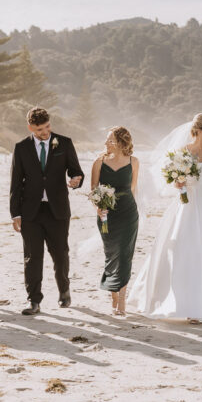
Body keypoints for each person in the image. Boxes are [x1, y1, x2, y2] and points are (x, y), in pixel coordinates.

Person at [127, 114, 202, 323]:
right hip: (188, 206)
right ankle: (186, 304)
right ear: (200, 130)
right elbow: (176, 180)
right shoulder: (182, 152)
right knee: (186, 252)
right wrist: (179, 183)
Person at [10, 107, 84, 316]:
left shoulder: (64, 143)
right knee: (32, 257)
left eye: (47, 127)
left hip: (57, 209)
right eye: (40, 129)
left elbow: (76, 169)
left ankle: (64, 290)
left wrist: (76, 179)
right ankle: (34, 300)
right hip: (30, 211)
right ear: (30, 127)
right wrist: (15, 214)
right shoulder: (21, 147)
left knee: (60, 254)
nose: (45, 132)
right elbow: (15, 182)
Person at [89, 127, 139, 316]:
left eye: (110, 140)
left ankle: (122, 300)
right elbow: (93, 190)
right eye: (106, 140)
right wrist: (98, 208)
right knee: (111, 254)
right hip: (106, 214)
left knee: (125, 254)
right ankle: (113, 296)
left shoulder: (134, 162)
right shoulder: (99, 162)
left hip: (128, 212)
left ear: (120, 142)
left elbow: (132, 189)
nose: (106, 143)